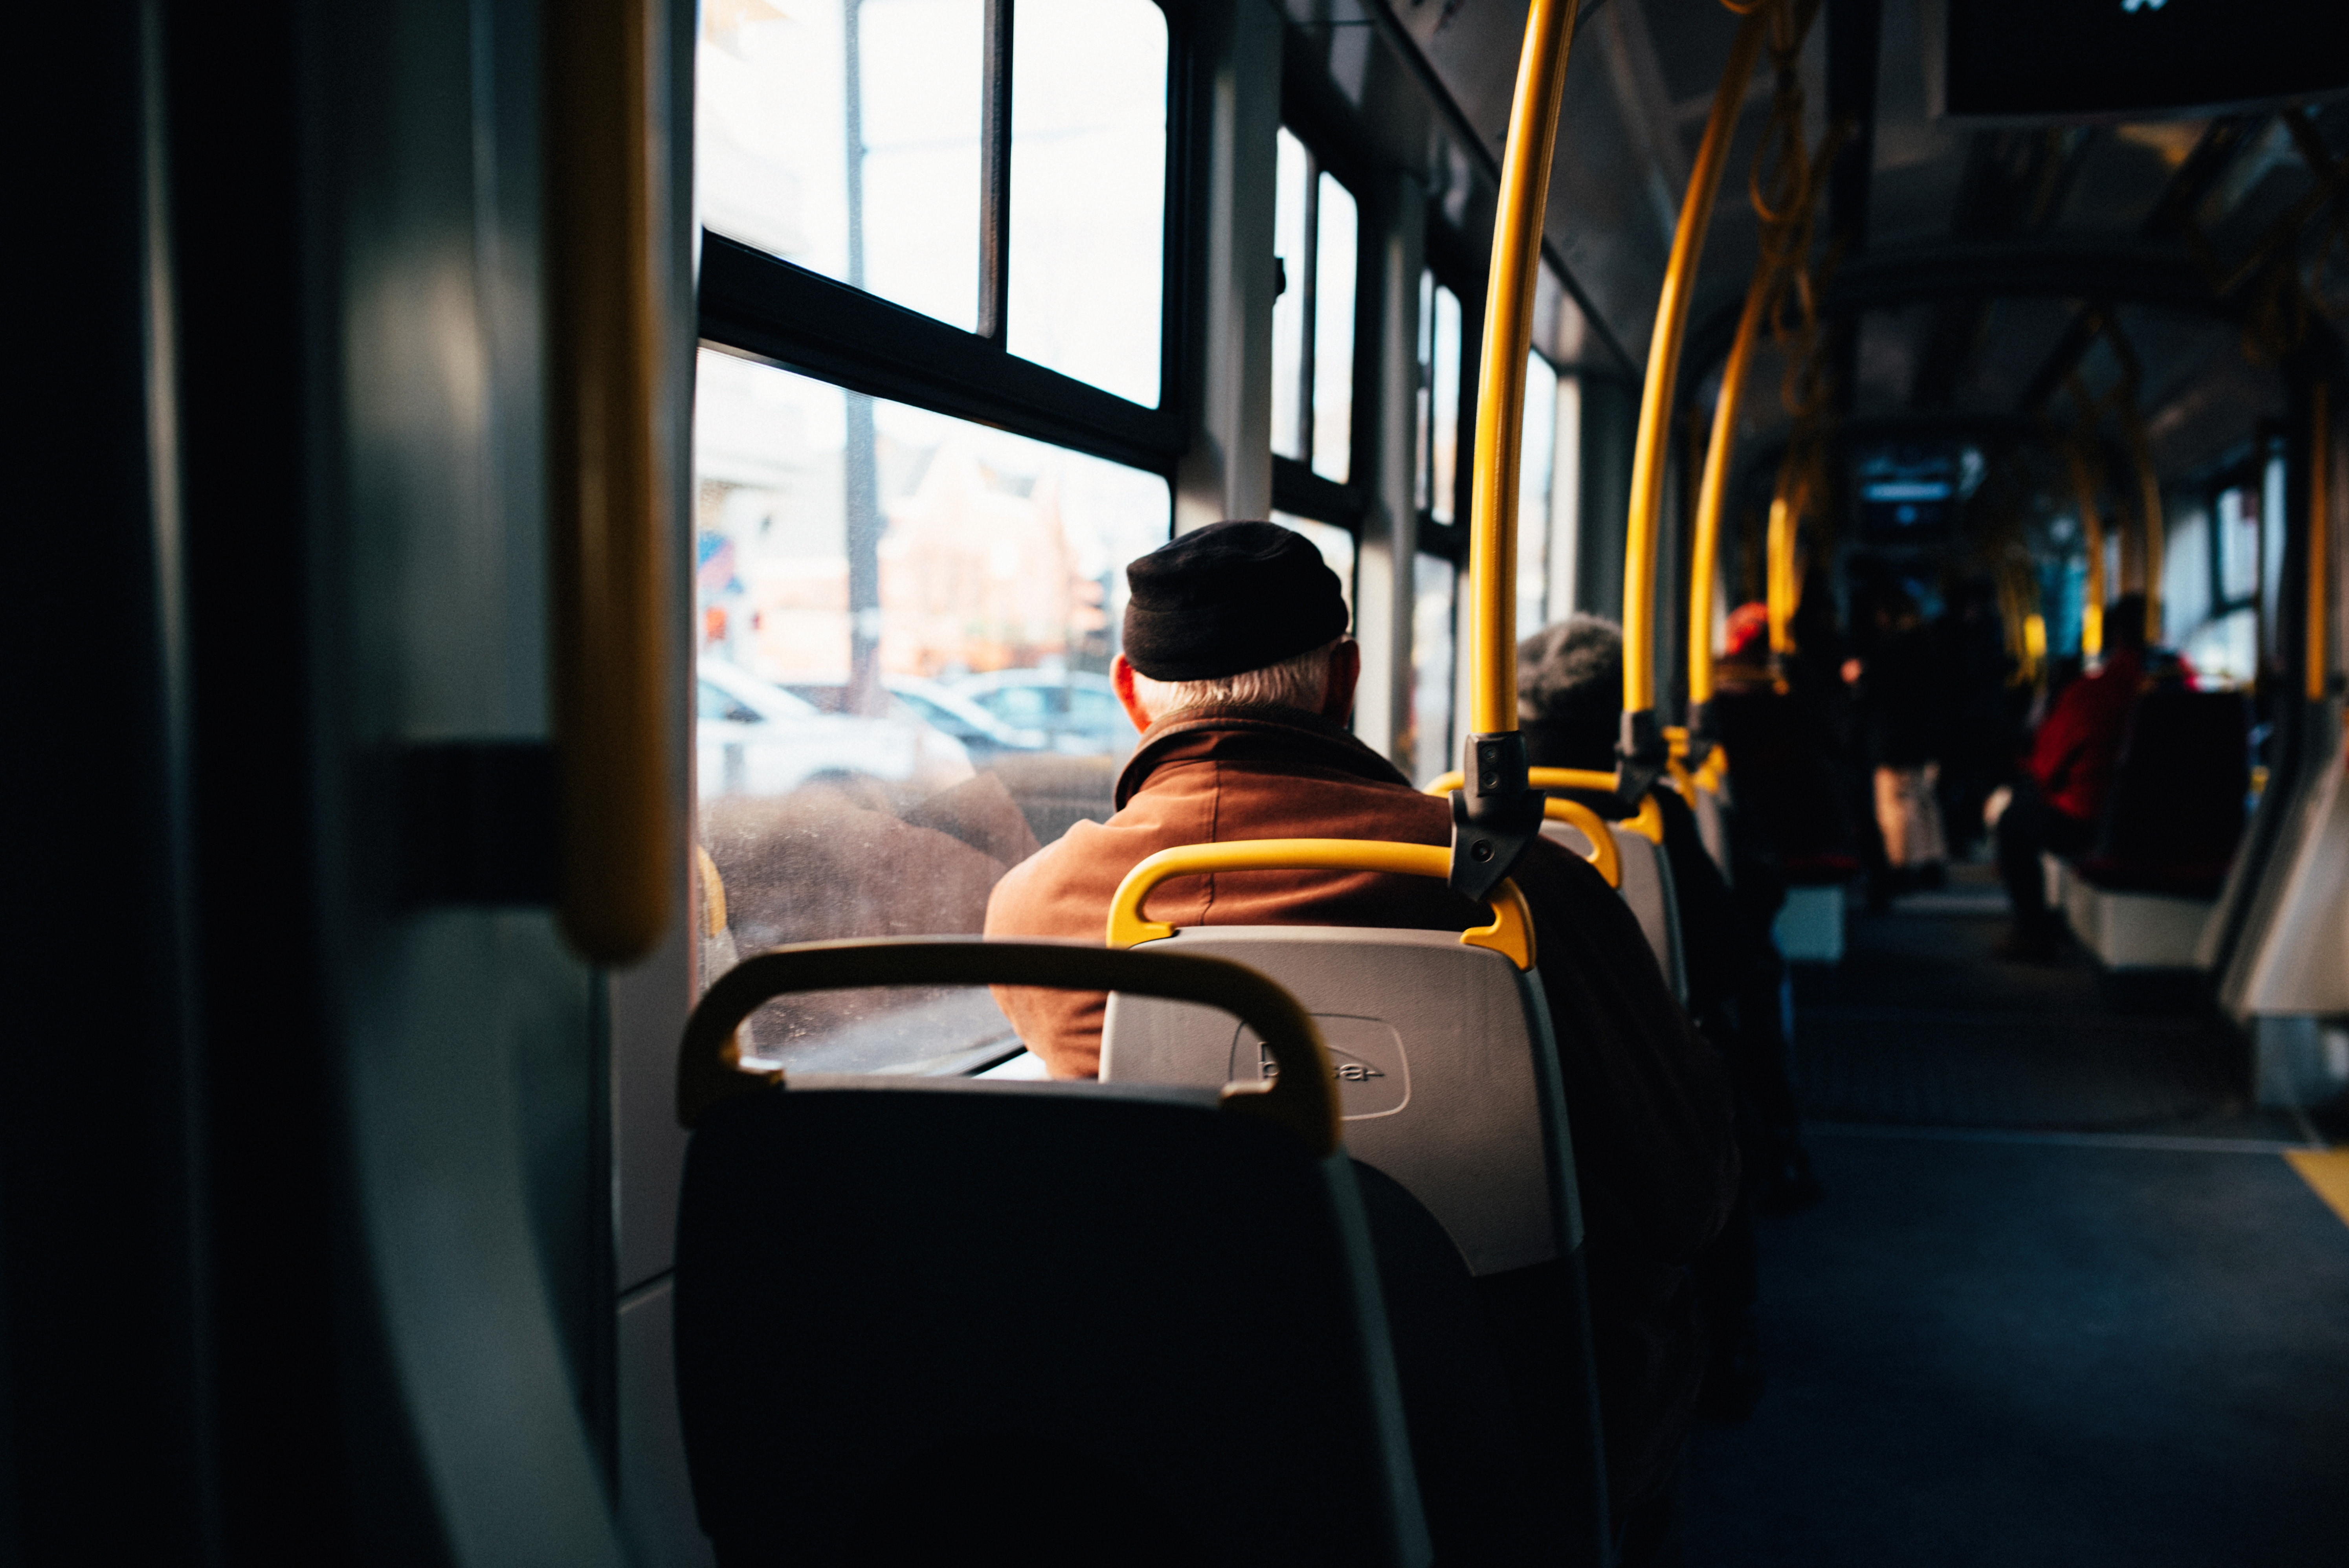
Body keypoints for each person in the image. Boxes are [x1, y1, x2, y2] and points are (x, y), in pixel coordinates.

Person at [985, 522, 1738, 1551]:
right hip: (1524, 1429)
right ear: (1344, 677)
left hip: (1202, 1423)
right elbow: (1687, 1188)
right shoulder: (1530, 891)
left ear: (1128, 689)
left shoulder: (1042, 910)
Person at [1518, 614, 1819, 1418]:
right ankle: (1732, 1328)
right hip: (1643, 1047)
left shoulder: (1465, 808)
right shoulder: (1647, 809)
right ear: (1621, 705)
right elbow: (1719, 956)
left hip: (1511, 1052)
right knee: (1720, 1049)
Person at [1995, 593, 2149, 961]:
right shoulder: (2178, 690)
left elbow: (2046, 766)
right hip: (2163, 818)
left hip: (2090, 819)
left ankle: (2032, 931)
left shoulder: (2091, 692)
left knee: (2013, 822)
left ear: (2114, 637)